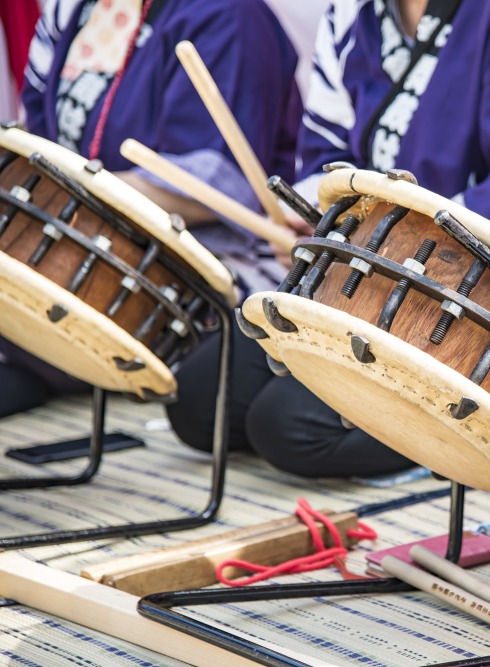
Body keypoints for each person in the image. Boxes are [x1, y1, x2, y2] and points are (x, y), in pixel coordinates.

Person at [166, 0, 490, 479]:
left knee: (288, 428)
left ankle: (465, 448)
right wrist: (321, 221)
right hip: (366, 272)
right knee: (202, 401)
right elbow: (326, 153)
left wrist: (370, 242)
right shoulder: (354, 11)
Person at [0, 0, 302, 418]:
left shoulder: (230, 15)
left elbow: (208, 188)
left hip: (194, 263)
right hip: (67, 235)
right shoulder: (72, 10)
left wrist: (67, 193)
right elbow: (35, 135)